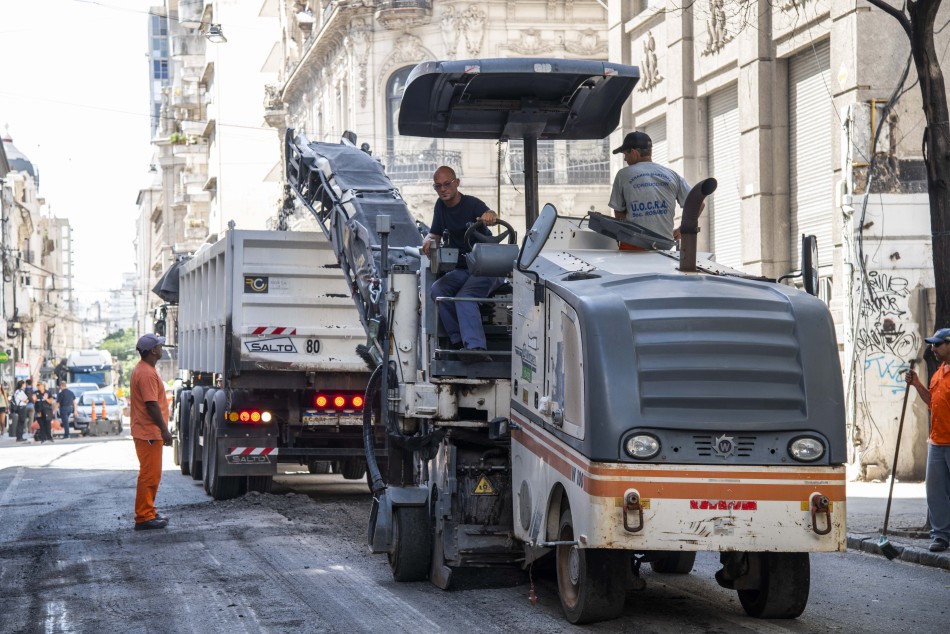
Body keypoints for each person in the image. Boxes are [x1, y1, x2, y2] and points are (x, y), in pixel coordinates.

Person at [420, 166, 498, 363]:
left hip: (487, 268)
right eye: (438, 186)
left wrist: (489, 216)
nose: (443, 189)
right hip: (463, 268)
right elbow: (435, 232)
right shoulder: (440, 206)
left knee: (465, 297)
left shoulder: (472, 204)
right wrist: (428, 240)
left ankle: (476, 348)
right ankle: (457, 343)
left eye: (447, 184)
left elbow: (490, 213)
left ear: (457, 183)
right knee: (438, 289)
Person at [905, 326, 950, 553]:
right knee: (935, 493)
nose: (933, 348)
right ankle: (940, 536)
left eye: (937, 344)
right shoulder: (939, 373)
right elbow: (932, 402)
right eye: (932, 344)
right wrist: (916, 384)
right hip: (937, 443)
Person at [608, 131, 693, 243]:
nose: (625, 159)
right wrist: (682, 229)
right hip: (664, 246)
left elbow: (619, 214)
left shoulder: (623, 175)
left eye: (625, 154)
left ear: (634, 152)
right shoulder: (671, 175)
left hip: (633, 246)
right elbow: (698, 203)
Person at [130, 333, 173, 531]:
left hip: (147, 431)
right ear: (153, 351)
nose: (161, 348)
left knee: (152, 474)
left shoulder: (144, 369)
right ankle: (144, 516)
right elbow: (151, 404)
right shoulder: (146, 373)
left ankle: (149, 511)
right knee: (149, 475)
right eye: (159, 346)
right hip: (148, 432)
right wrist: (164, 430)